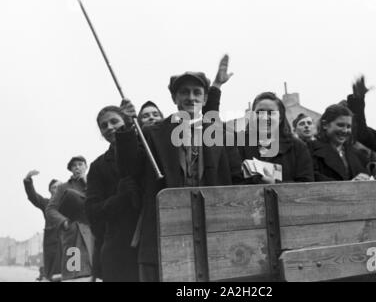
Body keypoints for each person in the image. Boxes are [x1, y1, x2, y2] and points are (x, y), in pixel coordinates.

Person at [117, 67, 242, 281]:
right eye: (184, 92)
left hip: (213, 231)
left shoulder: (222, 135)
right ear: (175, 98)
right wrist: (128, 126)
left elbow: (236, 180)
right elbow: (128, 169)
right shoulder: (152, 133)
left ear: (204, 99)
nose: (190, 97)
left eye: (196, 92)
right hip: (164, 234)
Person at [85, 106, 140, 282]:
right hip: (118, 247)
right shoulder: (97, 166)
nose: (109, 127)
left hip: (148, 242)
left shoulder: (147, 152)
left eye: (114, 121)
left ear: (126, 121)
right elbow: (93, 212)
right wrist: (119, 197)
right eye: (103, 125)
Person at [238, 92, 314, 183]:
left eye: (271, 113)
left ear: (280, 118)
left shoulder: (298, 147)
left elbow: (306, 184)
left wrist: (276, 185)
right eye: (259, 112)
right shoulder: (239, 145)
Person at [45, 156, 95, 281]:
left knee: (95, 274)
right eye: (74, 165)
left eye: (80, 164)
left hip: (93, 235)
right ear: (70, 169)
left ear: (86, 166)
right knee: (74, 274)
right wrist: (65, 223)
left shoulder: (94, 184)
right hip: (74, 237)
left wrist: (87, 183)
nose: (77, 167)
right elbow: (50, 210)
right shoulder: (63, 188)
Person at [311, 104, 370, 181]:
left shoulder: (358, 155)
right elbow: (313, 178)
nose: (345, 130)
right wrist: (349, 185)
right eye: (340, 125)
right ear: (325, 125)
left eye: (348, 127)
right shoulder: (309, 150)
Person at [23, 171, 62, 281]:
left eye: (60, 187)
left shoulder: (72, 202)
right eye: (54, 187)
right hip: (52, 243)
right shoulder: (46, 203)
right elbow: (33, 196)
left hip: (71, 242)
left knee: (73, 273)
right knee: (53, 274)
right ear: (50, 191)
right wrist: (28, 180)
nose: (57, 189)